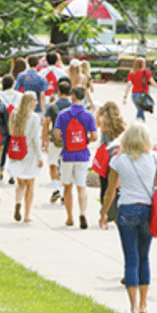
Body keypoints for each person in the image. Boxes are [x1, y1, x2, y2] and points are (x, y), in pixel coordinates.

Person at [100, 122, 157, 313]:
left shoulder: (119, 160)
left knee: (130, 259)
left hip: (126, 209)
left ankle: (133, 306)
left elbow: (111, 189)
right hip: (147, 209)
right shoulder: (154, 158)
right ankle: (144, 303)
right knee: (144, 257)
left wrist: (104, 213)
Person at [54, 85, 98, 229]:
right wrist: (84, 139)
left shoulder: (63, 114)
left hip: (67, 154)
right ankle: (83, 213)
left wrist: (66, 139)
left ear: (72, 97)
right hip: (82, 154)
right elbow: (95, 137)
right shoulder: (88, 115)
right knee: (81, 186)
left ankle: (69, 217)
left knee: (67, 186)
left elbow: (56, 135)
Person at [8, 92, 43, 222]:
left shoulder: (14, 114)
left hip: (17, 151)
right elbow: (35, 139)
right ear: (30, 102)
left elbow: (11, 132)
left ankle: (18, 202)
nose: (36, 102)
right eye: (35, 100)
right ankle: (27, 215)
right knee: (30, 184)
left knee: (20, 183)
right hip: (30, 153)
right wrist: (40, 157)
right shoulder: (33, 117)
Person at [42, 80, 72, 203]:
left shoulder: (52, 106)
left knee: (52, 163)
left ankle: (56, 189)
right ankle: (66, 192)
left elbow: (46, 124)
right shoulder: (73, 106)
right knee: (66, 166)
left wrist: (44, 140)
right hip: (69, 140)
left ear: (58, 92)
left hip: (56, 140)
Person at [95, 101, 126, 216]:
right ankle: (115, 207)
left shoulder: (103, 121)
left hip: (105, 154)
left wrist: (99, 112)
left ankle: (105, 208)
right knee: (115, 183)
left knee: (104, 183)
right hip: (117, 153)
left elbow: (96, 123)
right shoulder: (120, 121)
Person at [0, 74, 23, 185]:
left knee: (2, 151)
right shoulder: (20, 96)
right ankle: (12, 175)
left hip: (2, 126)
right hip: (15, 126)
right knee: (13, 151)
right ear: (13, 84)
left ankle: (1, 171)